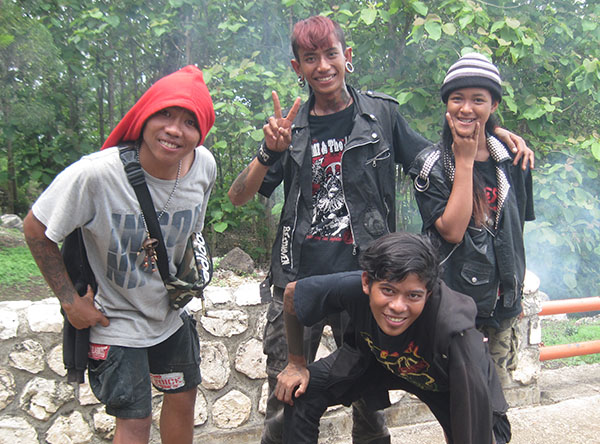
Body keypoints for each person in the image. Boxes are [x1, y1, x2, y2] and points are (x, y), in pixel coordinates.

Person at [227, 15, 532, 444]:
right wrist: (266, 152)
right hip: (299, 280)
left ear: (346, 57)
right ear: (298, 67)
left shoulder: (381, 115)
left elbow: (436, 160)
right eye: (310, 58)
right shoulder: (289, 128)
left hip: (369, 283)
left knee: (370, 405)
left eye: (331, 54)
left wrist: (492, 134)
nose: (323, 66)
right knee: (286, 394)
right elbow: (239, 196)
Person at [23, 65, 216, 444]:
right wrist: (69, 301)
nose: (175, 129)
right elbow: (35, 228)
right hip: (116, 320)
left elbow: (191, 234)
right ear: (144, 116)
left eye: (190, 122)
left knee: (182, 397)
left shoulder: (203, 166)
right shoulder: (95, 175)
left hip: (171, 316)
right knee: (135, 421)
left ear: (201, 132)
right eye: (165, 114)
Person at [275, 232, 511, 444]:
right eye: (388, 290)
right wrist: (296, 363)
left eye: (413, 295)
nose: (398, 306)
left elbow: (471, 413)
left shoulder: (453, 330)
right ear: (367, 282)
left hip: (445, 383)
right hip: (377, 362)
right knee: (300, 389)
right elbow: (292, 294)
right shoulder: (352, 287)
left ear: (428, 293)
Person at [409, 53, 535, 385]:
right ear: (446, 105)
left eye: (478, 99)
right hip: (453, 305)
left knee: (495, 402)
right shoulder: (431, 165)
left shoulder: (514, 160)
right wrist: (464, 163)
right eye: (457, 99)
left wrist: (515, 293)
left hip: (500, 306)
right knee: (459, 398)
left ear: (493, 105)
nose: (466, 108)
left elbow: (515, 232)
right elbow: (451, 231)